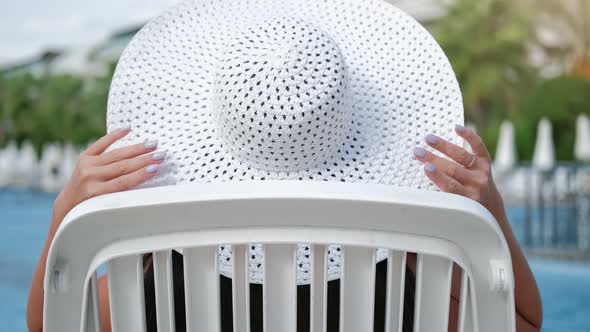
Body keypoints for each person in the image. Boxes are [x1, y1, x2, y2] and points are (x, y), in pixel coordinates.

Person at [27, 124, 542, 332]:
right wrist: (488, 207)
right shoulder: (407, 258)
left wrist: (64, 212)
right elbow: (519, 324)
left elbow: (53, 325)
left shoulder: (165, 265)